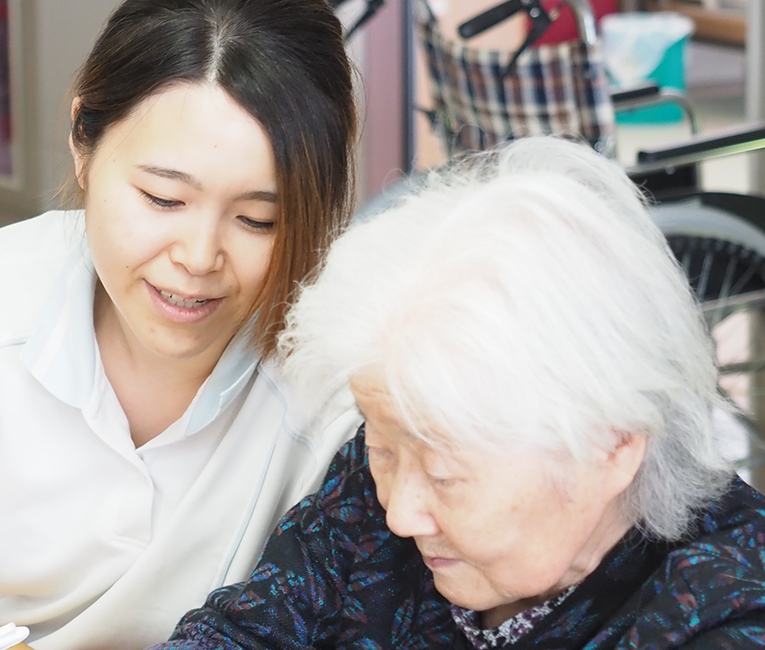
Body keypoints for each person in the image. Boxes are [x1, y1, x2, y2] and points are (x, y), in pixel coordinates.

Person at [0, 2, 362, 650]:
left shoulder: (340, 372)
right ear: (83, 141)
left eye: (257, 219)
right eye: (163, 199)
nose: (198, 257)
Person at [154, 137, 765, 650]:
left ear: (612, 445)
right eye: (383, 448)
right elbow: (240, 631)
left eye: (447, 475)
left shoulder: (725, 612)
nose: (399, 512)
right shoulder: (386, 471)